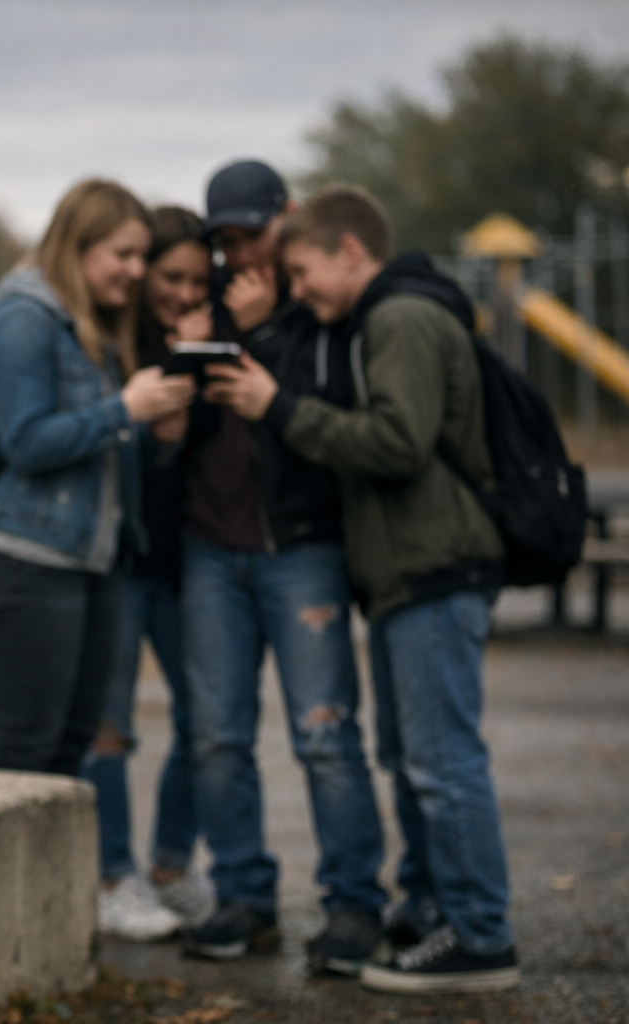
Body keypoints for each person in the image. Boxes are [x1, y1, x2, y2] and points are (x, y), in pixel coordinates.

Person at [206, 184, 520, 994]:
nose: (297, 287)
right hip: (403, 571)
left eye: (304, 271)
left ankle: (480, 935)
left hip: (433, 564)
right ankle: (438, 912)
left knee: (443, 761)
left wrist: (279, 406)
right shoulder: (374, 318)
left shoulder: (400, 318)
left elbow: (398, 442)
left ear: (351, 252)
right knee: (414, 758)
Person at [173, 161, 387, 972]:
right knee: (217, 737)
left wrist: (259, 333)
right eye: (224, 239)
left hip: (301, 547)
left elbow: (320, 419)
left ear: (287, 218)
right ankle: (243, 898)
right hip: (209, 549)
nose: (240, 254)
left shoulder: (320, 302)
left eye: (251, 234)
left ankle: (355, 907)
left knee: (325, 735)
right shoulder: (211, 300)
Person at [0, 179, 195, 781]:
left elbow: (88, 442)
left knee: (69, 749)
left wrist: (151, 430)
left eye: (141, 256)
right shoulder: (22, 318)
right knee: (23, 748)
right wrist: (127, 411)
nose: (136, 271)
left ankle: (47, 880)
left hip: (90, 558)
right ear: (77, 246)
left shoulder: (87, 324)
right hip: (27, 556)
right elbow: (27, 442)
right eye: (123, 254)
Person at [83, 206, 214, 941]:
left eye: (197, 280)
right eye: (170, 276)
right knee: (110, 726)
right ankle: (112, 874)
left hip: (187, 559)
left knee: (206, 715)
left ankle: (169, 864)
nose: (182, 293)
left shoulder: (215, 336)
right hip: (117, 563)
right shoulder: (112, 340)